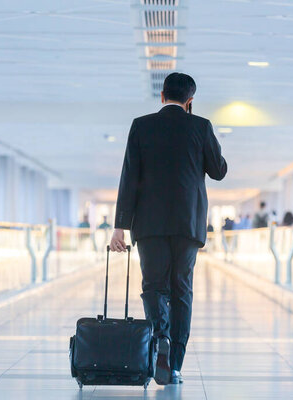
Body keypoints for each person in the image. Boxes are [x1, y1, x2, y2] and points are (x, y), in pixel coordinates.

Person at [110, 72, 227, 385]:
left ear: (161, 96)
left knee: (153, 285)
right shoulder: (200, 126)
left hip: (148, 224)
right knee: (181, 288)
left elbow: (129, 177)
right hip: (188, 223)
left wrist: (119, 226)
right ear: (190, 101)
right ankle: (174, 363)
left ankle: (158, 338)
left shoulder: (141, 125)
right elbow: (219, 171)